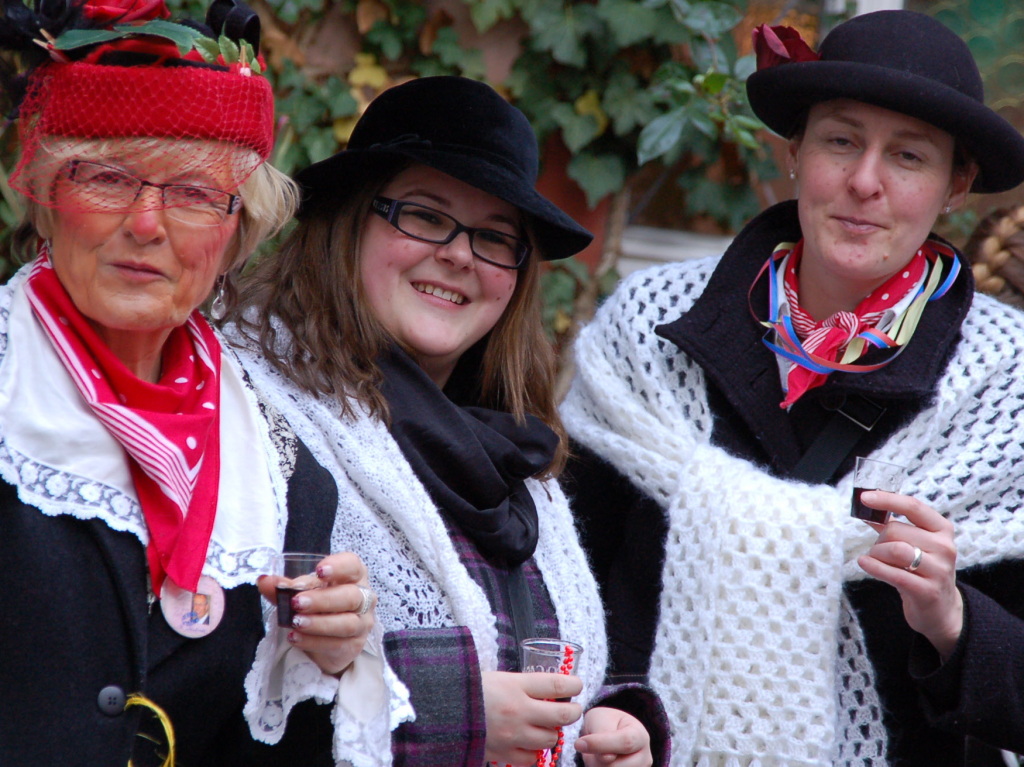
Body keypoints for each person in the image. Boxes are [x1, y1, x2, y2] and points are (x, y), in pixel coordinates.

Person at [560, 10, 1024, 767]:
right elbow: (566, 583)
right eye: (840, 141)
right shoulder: (648, 331)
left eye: (908, 156)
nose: (864, 182)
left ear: (955, 185)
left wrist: (953, 618)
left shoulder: (1010, 387)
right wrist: (612, 714)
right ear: (794, 153)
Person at [226, 75, 669, 766]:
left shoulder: (516, 457)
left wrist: (611, 726)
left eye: (496, 237)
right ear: (349, 219)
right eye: (426, 216)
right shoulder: (252, 408)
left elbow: (532, 663)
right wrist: (453, 712)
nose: (460, 254)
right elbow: (226, 677)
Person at [0, 0, 393, 763]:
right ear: (47, 199)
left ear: (237, 227)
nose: (147, 225)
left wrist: (331, 661)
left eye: (192, 194)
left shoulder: (283, 475)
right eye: (107, 177)